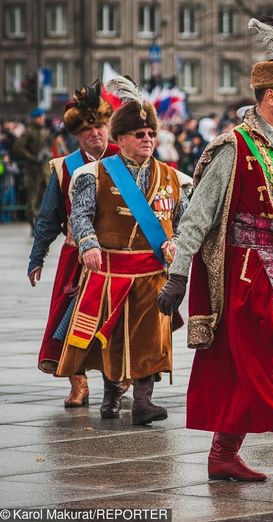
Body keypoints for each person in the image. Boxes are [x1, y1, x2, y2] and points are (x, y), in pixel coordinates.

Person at [156, 17, 273, 487]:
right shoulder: (233, 147)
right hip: (246, 276)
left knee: (245, 367)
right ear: (270, 96)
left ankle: (223, 455)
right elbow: (197, 218)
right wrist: (178, 275)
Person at [56, 76, 189, 426]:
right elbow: (81, 215)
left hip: (153, 273)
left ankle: (143, 402)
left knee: (152, 338)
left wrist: (177, 242)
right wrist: (88, 243)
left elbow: (186, 221)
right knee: (111, 338)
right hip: (110, 273)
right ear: (121, 139)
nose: (147, 139)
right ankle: (112, 393)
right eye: (139, 134)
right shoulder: (94, 174)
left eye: (151, 134)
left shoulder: (174, 178)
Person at [28, 80, 120, 408]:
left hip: (118, 255)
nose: (95, 134)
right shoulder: (64, 166)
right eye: (87, 130)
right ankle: (78, 383)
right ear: (77, 135)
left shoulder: (125, 158)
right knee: (68, 322)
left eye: (99, 127)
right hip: (76, 256)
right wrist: (37, 256)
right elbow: (48, 216)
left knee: (116, 320)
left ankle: (117, 378)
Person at [13, 108, 51, 226]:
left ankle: (44, 222)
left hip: (44, 169)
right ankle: (33, 223)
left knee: (47, 196)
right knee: (33, 198)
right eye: (40, 117)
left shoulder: (45, 131)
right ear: (35, 118)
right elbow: (18, 148)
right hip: (33, 170)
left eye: (43, 117)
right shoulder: (29, 131)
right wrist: (32, 157)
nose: (43, 119)